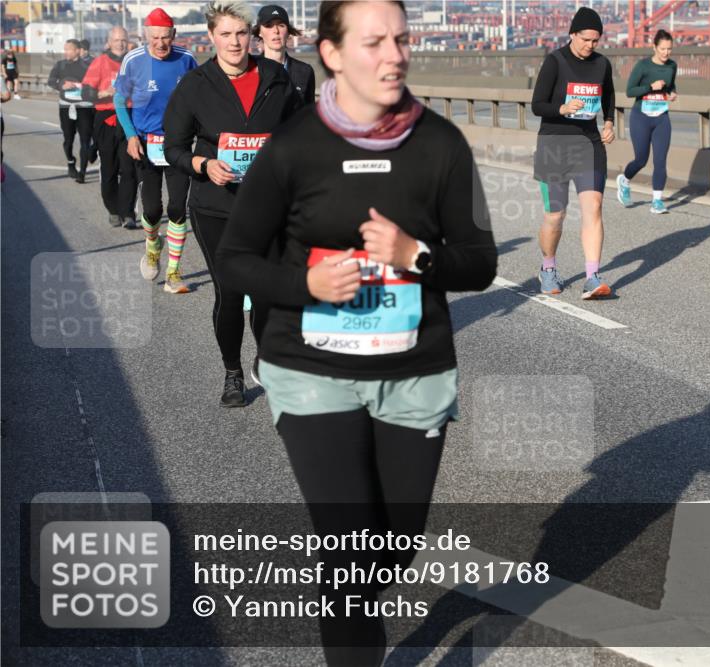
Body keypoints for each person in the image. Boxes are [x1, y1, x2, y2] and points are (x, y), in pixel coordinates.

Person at [216, 1, 496, 662]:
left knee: (392, 547)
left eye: (401, 40)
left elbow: (480, 263)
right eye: (374, 42)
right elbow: (235, 257)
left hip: (413, 372)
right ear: (333, 54)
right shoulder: (294, 147)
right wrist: (306, 285)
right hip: (311, 369)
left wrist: (415, 255)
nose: (394, 54)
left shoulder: (442, 144)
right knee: (349, 552)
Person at [164, 0, 301, 407]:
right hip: (215, 205)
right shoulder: (195, 84)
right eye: (225, 34)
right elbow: (174, 148)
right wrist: (203, 164)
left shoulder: (276, 77)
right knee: (230, 289)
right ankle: (232, 374)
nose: (234, 42)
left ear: (252, 35)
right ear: (212, 37)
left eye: (241, 33)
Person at [531, 6, 615, 299]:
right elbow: (537, 104)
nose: (590, 46)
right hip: (554, 146)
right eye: (585, 39)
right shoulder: (555, 62)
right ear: (572, 34)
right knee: (556, 215)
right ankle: (548, 268)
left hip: (588, 145)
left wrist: (609, 122)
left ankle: (592, 276)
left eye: (595, 40)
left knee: (593, 207)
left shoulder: (602, 64)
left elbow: (609, 96)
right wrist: (562, 108)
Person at [115, 8, 198, 294]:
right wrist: (130, 136)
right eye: (155, 38)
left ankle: (174, 273)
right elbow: (118, 100)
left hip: (179, 144)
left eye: (166, 37)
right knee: (151, 209)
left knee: (177, 206)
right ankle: (152, 245)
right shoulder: (134, 60)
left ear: (174, 35)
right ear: (146, 35)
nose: (160, 44)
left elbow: (201, 101)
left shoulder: (187, 60)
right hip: (145, 143)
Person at [83, 26, 139, 229]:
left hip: (130, 119)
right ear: (109, 42)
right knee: (109, 170)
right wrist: (106, 92)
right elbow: (86, 94)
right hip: (106, 119)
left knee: (129, 169)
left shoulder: (135, 62)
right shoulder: (99, 63)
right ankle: (113, 209)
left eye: (123, 39)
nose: (120, 43)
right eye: (116, 40)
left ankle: (128, 213)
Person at [617, 29, 678, 215]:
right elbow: (630, 91)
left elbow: (671, 85)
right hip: (641, 117)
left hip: (661, 117)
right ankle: (625, 181)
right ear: (654, 47)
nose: (666, 53)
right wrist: (650, 87)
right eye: (662, 49)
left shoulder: (672, 66)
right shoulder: (643, 66)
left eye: (669, 49)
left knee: (660, 161)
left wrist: (672, 92)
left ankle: (657, 201)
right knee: (641, 160)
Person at [48, 39, 94, 183]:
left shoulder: (88, 65)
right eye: (65, 49)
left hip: (85, 107)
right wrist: (62, 85)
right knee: (68, 140)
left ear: (77, 51)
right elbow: (51, 81)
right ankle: (70, 161)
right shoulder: (60, 65)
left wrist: (82, 86)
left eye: (69, 49)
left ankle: (82, 173)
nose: (66, 52)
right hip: (66, 107)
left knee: (85, 141)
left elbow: (95, 83)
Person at [253, 4, 316, 105]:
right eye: (269, 25)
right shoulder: (251, 70)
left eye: (281, 25)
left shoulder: (304, 71)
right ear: (259, 32)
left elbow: (308, 113)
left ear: (288, 32)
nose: (276, 31)